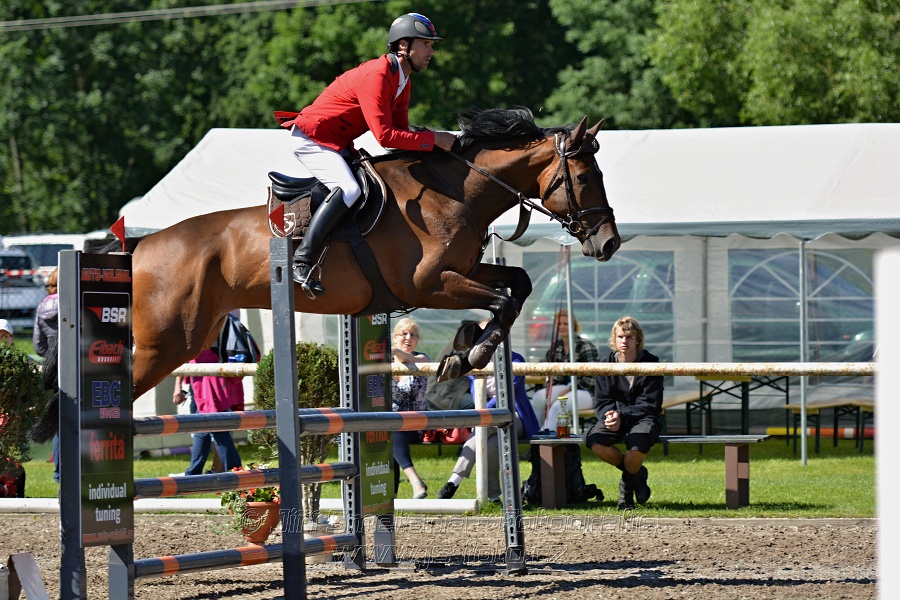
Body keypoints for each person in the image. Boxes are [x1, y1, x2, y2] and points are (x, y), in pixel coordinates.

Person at [274, 12, 457, 299]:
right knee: (348, 188)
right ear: (403, 47)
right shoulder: (378, 75)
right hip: (312, 139)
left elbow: (400, 136)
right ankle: (302, 261)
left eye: (431, 45)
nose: (432, 51)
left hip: (338, 141)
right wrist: (434, 139)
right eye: (426, 44)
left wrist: (435, 148)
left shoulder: (402, 81)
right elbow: (385, 136)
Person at [437, 345, 540, 502]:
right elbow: (475, 393)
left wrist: (483, 414)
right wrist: (484, 414)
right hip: (488, 421)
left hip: (516, 417)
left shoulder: (516, 359)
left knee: (484, 427)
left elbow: (505, 393)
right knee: (492, 444)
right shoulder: (476, 362)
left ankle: (454, 480)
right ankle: (493, 497)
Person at [584, 316, 663, 510]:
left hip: (644, 418)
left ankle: (626, 489)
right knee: (594, 440)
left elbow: (651, 403)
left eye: (629, 337)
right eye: (620, 336)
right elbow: (601, 401)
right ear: (614, 338)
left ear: (638, 339)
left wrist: (622, 416)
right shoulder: (604, 364)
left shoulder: (652, 363)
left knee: (636, 447)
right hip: (615, 417)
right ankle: (637, 475)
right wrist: (610, 416)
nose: (624, 341)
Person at [172, 347, 244, 475]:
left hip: (209, 374)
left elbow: (183, 352)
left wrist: (178, 385)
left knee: (216, 426)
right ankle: (194, 473)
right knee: (202, 429)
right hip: (202, 374)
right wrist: (179, 384)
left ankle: (236, 472)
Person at [532, 309, 600, 431]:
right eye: (559, 324)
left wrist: (570, 389)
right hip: (564, 388)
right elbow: (546, 365)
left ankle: (544, 440)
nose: (562, 327)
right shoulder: (556, 346)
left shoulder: (585, 346)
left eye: (566, 324)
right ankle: (534, 433)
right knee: (538, 397)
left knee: (558, 405)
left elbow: (593, 379)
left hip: (588, 392)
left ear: (574, 326)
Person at [390, 317, 430, 499]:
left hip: (417, 422)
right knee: (390, 431)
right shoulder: (385, 362)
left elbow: (408, 358)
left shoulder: (422, 359)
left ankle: (415, 482)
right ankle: (392, 496)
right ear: (394, 337)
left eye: (412, 334)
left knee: (390, 431)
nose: (408, 337)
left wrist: (395, 352)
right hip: (392, 423)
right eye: (403, 333)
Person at [31, 268, 61, 483]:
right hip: (80, 366)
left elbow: (38, 345)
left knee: (58, 420)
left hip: (54, 369)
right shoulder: (77, 301)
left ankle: (60, 472)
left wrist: (53, 355)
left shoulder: (42, 306)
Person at [424, 320, 478, 411]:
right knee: (484, 405)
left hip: (436, 395)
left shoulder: (456, 344)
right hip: (445, 397)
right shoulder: (464, 347)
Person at [33, 268, 59, 358]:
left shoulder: (41, 306)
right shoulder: (79, 303)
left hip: (53, 363)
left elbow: (39, 347)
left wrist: (52, 356)